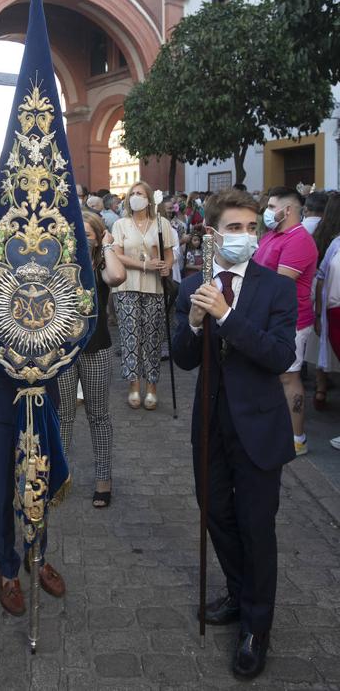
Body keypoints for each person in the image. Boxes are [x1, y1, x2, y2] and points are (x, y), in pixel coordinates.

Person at [173, 189, 297, 681]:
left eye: (252, 229)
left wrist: (226, 317)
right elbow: (183, 357)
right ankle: (238, 588)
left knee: (255, 526)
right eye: (233, 228)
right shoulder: (193, 286)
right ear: (212, 233)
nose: (244, 237)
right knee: (216, 514)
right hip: (211, 422)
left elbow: (279, 355)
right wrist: (196, 322)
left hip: (259, 426)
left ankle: (256, 625)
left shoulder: (275, 289)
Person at [0, 362, 66, 616]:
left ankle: (36, 555)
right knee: (0, 490)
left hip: (42, 394)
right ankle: (6, 567)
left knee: (40, 481)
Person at [58, 212, 125, 507]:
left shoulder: (100, 264)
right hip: (62, 351)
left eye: (89, 233)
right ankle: (57, 476)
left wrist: (108, 246)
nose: (82, 237)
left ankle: (103, 479)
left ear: (98, 236)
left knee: (98, 416)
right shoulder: (59, 262)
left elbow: (118, 276)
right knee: (63, 416)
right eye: (77, 232)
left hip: (96, 348)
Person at [254, 187, 318, 456]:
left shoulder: (299, 240)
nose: (267, 212)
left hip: (291, 321)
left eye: (271, 206)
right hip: (268, 318)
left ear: (287, 210)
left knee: (289, 377)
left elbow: (279, 283)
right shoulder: (273, 235)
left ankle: (297, 438)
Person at [111, 182, 174, 410]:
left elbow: (169, 255)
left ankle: (152, 386)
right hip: (126, 286)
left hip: (154, 287)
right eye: (132, 194)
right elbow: (117, 255)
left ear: (149, 198)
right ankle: (134, 385)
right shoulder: (120, 224)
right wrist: (144, 265)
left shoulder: (161, 223)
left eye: (140, 193)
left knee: (152, 337)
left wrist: (166, 267)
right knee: (130, 337)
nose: (135, 197)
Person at [311, 192, 340, 411]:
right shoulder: (334, 241)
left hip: (322, 297)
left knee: (320, 347)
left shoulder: (321, 234)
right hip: (329, 299)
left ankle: (320, 388)